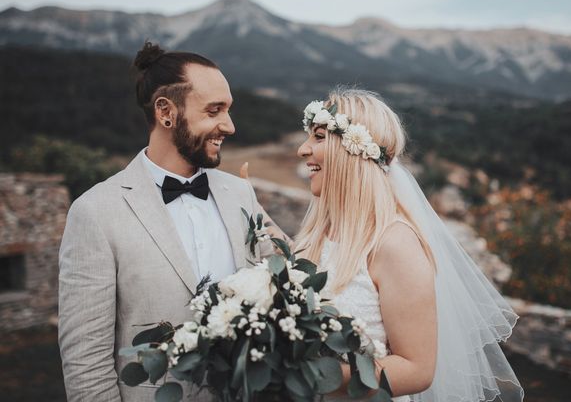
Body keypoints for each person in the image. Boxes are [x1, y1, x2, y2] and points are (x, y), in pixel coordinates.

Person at [58, 42, 278, 402]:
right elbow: (86, 364)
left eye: (229, 110)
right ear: (166, 112)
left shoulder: (241, 195)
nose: (230, 126)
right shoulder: (95, 212)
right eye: (214, 110)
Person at [295, 89, 524, 401]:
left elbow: (416, 369)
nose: (302, 150)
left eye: (319, 137)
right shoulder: (319, 231)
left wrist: (306, 376)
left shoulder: (394, 243)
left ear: (354, 150)